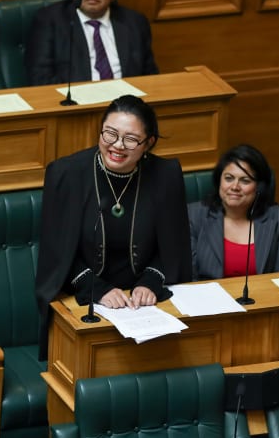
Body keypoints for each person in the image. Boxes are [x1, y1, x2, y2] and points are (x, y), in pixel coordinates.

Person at [35, 95, 191, 350]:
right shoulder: (66, 175)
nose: (117, 145)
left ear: (148, 143)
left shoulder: (166, 175)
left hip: (145, 305)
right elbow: (56, 252)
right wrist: (96, 288)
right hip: (84, 298)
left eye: (130, 139)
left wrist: (151, 281)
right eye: (110, 134)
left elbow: (174, 245)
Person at [25, 0, 158, 87]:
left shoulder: (135, 22)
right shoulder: (49, 20)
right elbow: (40, 79)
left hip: (126, 103)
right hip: (76, 103)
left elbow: (150, 78)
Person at [188, 144, 279, 280]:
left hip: (264, 298)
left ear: (259, 187)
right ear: (219, 181)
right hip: (209, 298)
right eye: (229, 178)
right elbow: (189, 278)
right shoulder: (194, 215)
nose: (235, 187)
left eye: (245, 180)